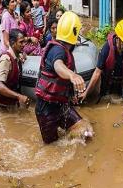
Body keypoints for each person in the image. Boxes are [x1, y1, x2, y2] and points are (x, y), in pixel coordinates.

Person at [34, 11, 87, 144]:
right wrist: (72, 75)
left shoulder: (64, 50)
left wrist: (71, 95)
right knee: (51, 147)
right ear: (74, 32)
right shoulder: (57, 50)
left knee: (85, 131)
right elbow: (58, 66)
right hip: (46, 109)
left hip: (61, 105)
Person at [79, 20, 123, 114]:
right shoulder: (107, 48)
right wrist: (86, 93)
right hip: (107, 83)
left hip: (122, 82)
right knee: (103, 106)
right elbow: (97, 73)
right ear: (118, 38)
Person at [0, 29, 31, 108]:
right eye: (21, 42)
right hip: (3, 106)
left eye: (24, 42)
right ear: (13, 43)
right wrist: (19, 96)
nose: (24, 45)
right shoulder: (6, 59)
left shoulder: (17, 57)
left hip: (11, 104)